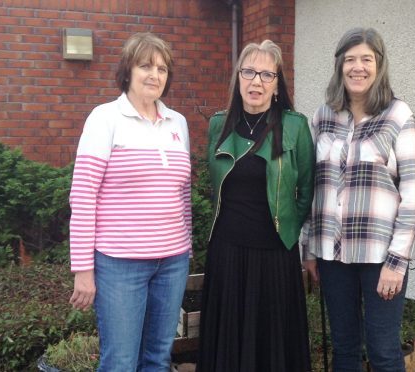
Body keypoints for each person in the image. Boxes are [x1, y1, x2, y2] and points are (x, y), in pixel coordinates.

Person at [301, 27, 415, 372]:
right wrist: (309, 248)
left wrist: (397, 261)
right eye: (350, 59)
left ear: (379, 65)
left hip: (379, 258)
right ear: (340, 65)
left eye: (366, 59)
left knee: (383, 350)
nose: (358, 67)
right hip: (332, 254)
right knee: (343, 349)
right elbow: (314, 186)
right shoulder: (322, 117)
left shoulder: (398, 116)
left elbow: (414, 197)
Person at [68, 32, 191, 372]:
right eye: (146, 66)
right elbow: (83, 196)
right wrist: (83, 269)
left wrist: (187, 248)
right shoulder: (104, 119)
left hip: (172, 263)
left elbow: (183, 194)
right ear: (128, 71)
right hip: (119, 265)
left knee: (158, 357)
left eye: (162, 68)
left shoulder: (177, 122)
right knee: (120, 361)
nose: (155, 75)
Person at [196, 40, 315, 372]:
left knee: (272, 343)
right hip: (227, 252)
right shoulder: (219, 124)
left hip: (275, 253)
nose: (256, 81)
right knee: (228, 343)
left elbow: (307, 190)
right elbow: (215, 186)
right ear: (238, 78)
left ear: (277, 84)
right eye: (249, 72)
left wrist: (290, 232)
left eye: (266, 74)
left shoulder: (295, 126)